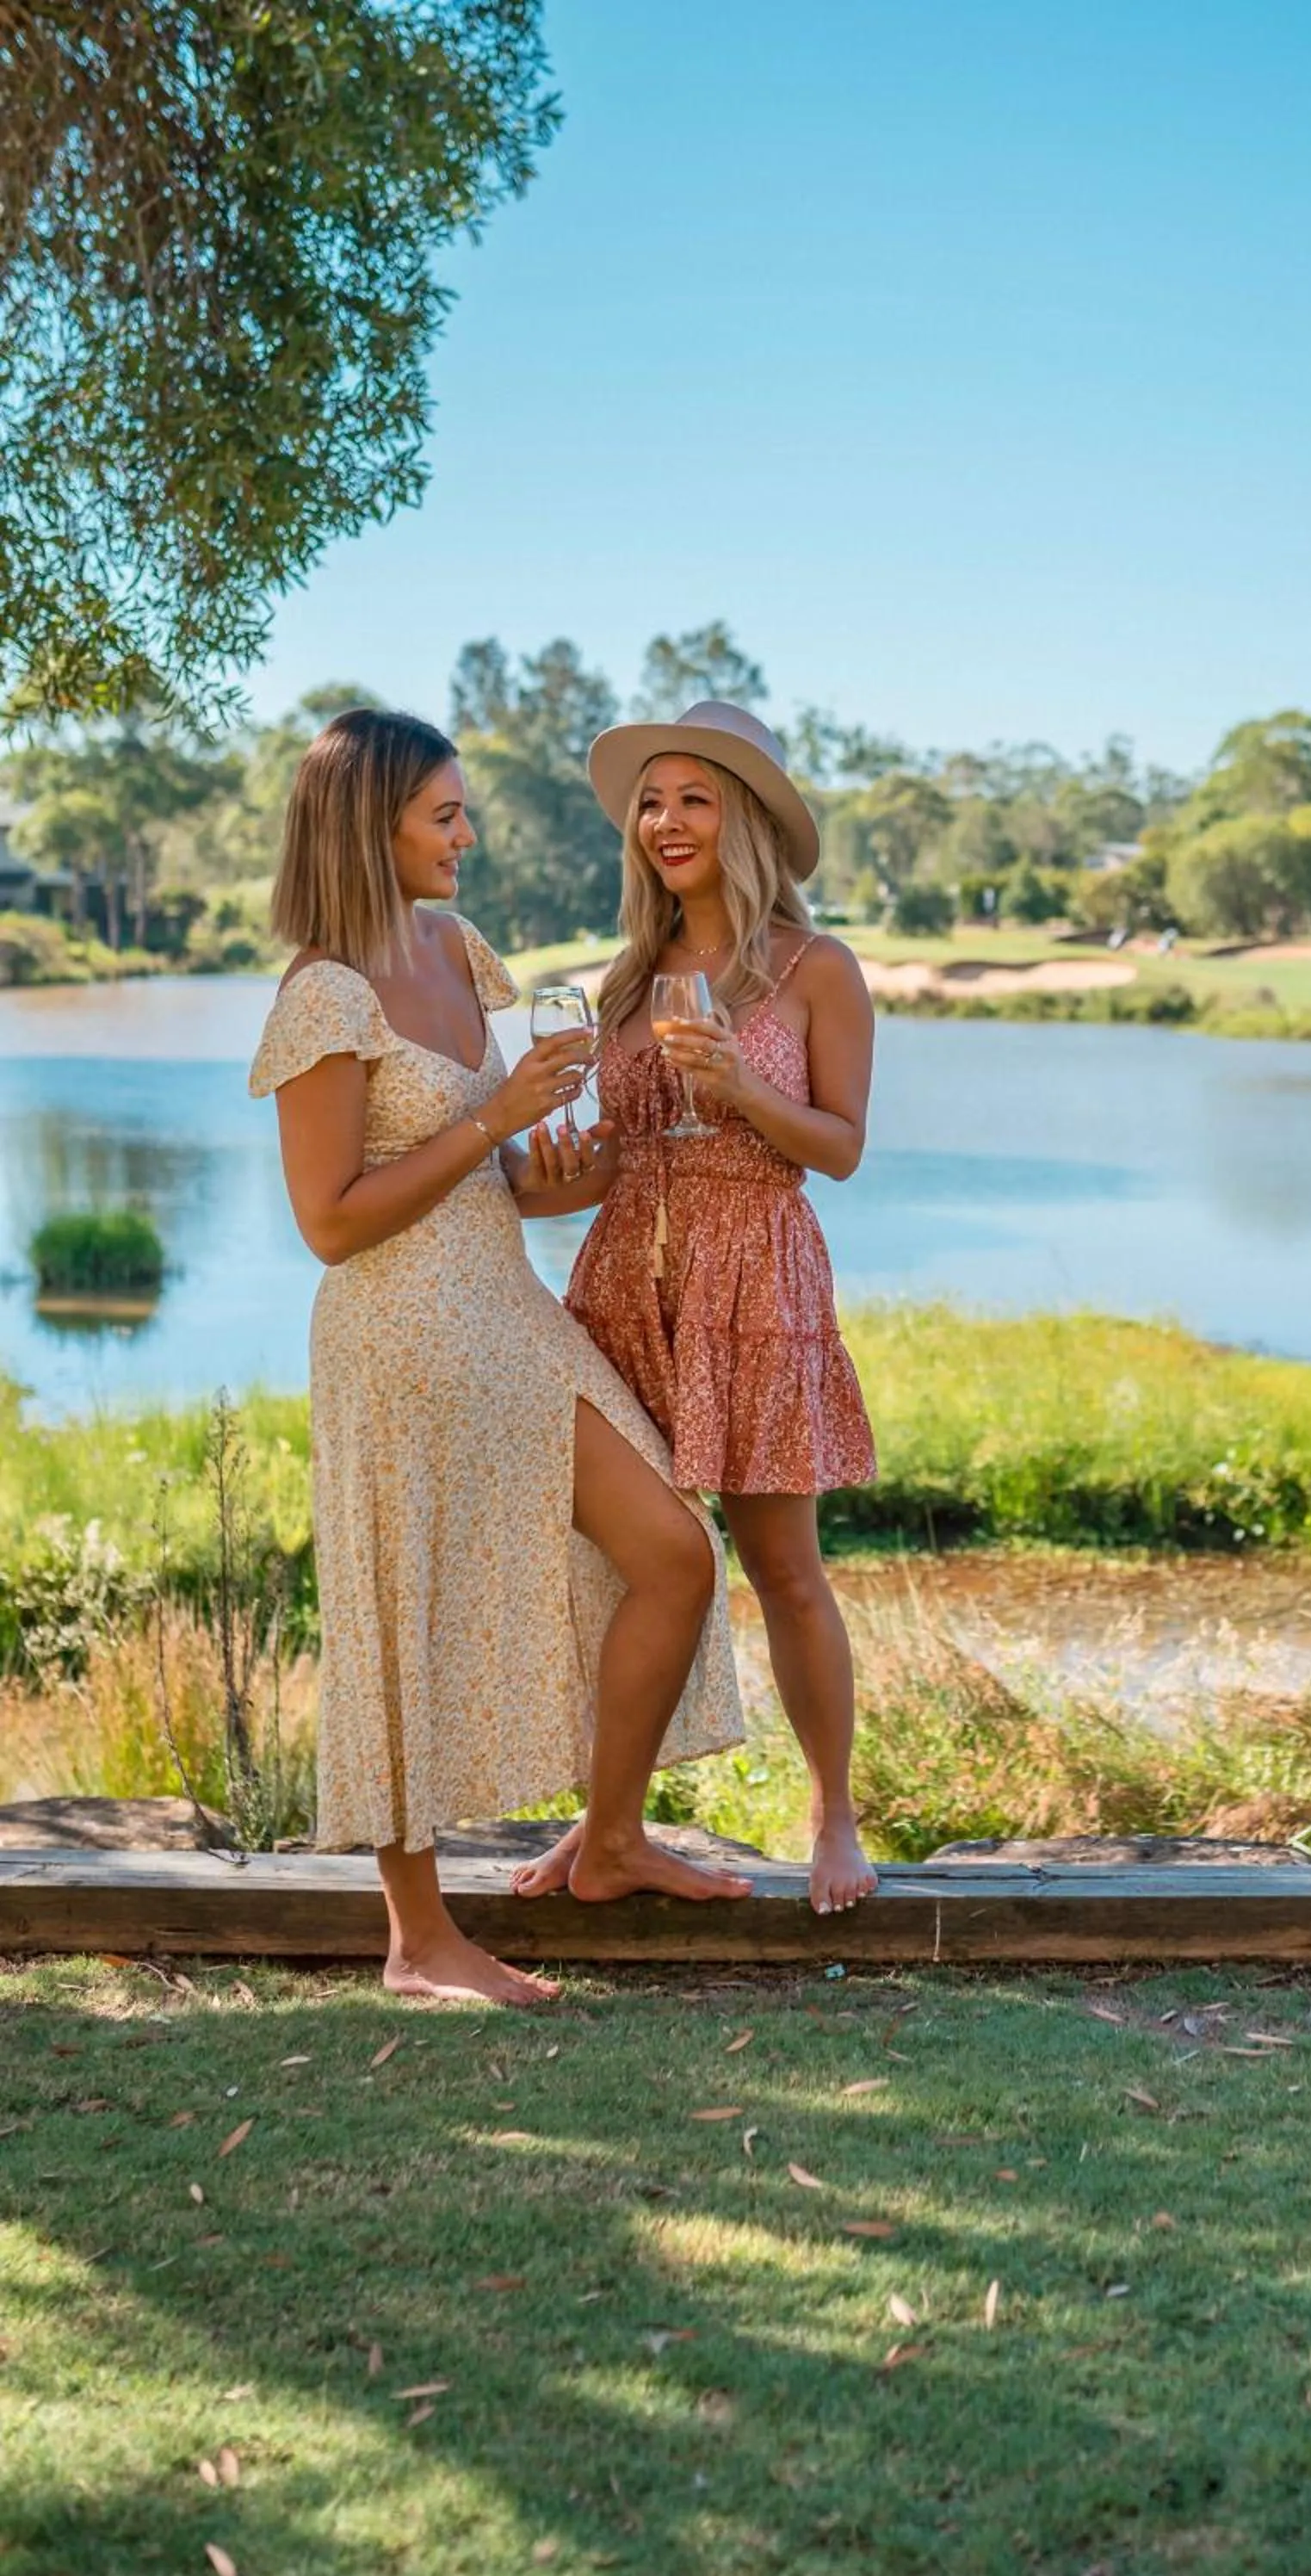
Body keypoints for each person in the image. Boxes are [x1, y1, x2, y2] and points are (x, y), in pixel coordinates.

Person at [248, 709, 751, 2008]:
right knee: (400, 1605)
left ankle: (612, 1840)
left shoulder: (455, 946)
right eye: (444, 815)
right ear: (373, 827)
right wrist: (496, 1125)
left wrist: (570, 1167)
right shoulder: (324, 994)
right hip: (395, 1340)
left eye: (462, 810)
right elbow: (331, 1222)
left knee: (674, 1552)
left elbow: (501, 1177)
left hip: (506, 1313)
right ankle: (418, 1941)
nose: (467, 834)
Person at [509, 701, 879, 1917]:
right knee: (633, 1568)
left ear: (748, 818)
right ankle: (608, 1825)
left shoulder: (816, 970)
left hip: (755, 1276)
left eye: (694, 800)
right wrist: (545, 1177)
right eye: (651, 803)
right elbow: (621, 1157)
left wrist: (741, 1088)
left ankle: (834, 1815)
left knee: (783, 1568)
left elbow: (839, 1148)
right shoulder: (625, 980)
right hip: (625, 1280)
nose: (664, 823)